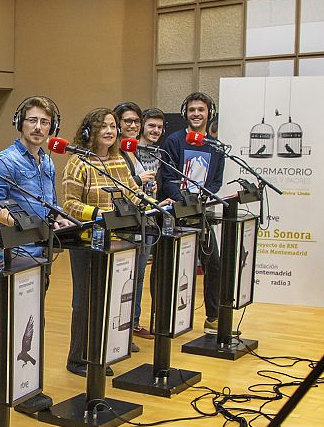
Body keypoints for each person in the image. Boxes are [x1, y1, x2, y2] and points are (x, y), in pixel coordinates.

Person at [61, 108, 141, 377]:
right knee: (85, 302)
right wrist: (98, 214)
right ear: (88, 132)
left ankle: (98, 353)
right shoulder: (78, 162)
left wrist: (153, 204)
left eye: (112, 126)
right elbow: (69, 205)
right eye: (103, 126)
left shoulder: (119, 160)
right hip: (86, 241)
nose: (110, 131)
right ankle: (78, 359)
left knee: (107, 299)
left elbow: (134, 192)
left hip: (116, 240)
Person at [157, 92, 223, 334]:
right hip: (178, 213)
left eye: (201, 110)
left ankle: (213, 318)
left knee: (213, 264)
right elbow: (167, 177)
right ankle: (170, 318)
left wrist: (204, 197)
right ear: (186, 113)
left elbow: (216, 180)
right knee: (177, 268)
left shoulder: (216, 147)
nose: (196, 113)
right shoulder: (174, 141)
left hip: (201, 213)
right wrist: (183, 199)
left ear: (209, 114)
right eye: (192, 109)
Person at [0, 96, 73, 259]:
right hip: (18, 251)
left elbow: (51, 203)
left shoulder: (48, 162)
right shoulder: (6, 161)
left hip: (45, 247)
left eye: (44, 122)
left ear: (52, 127)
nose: (38, 127)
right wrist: (21, 224)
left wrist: (60, 218)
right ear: (20, 123)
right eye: (32, 120)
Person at [114, 102, 156, 343]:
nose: (132, 125)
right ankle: (121, 327)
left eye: (136, 121)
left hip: (145, 219)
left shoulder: (134, 150)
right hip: (127, 224)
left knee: (139, 276)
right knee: (126, 277)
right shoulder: (115, 153)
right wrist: (139, 181)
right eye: (127, 121)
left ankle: (133, 322)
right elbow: (121, 188)